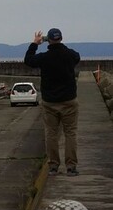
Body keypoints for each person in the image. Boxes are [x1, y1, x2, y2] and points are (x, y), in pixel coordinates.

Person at [24, 28, 81, 176]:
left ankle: (54, 166)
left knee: (51, 133)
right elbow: (76, 56)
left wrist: (35, 43)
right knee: (70, 133)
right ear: (61, 38)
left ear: (47, 40)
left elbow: (28, 60)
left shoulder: (44, 57)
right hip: (69, 101)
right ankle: (71, 167)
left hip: (50, 102)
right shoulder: (70, 55)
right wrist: (60, 46)